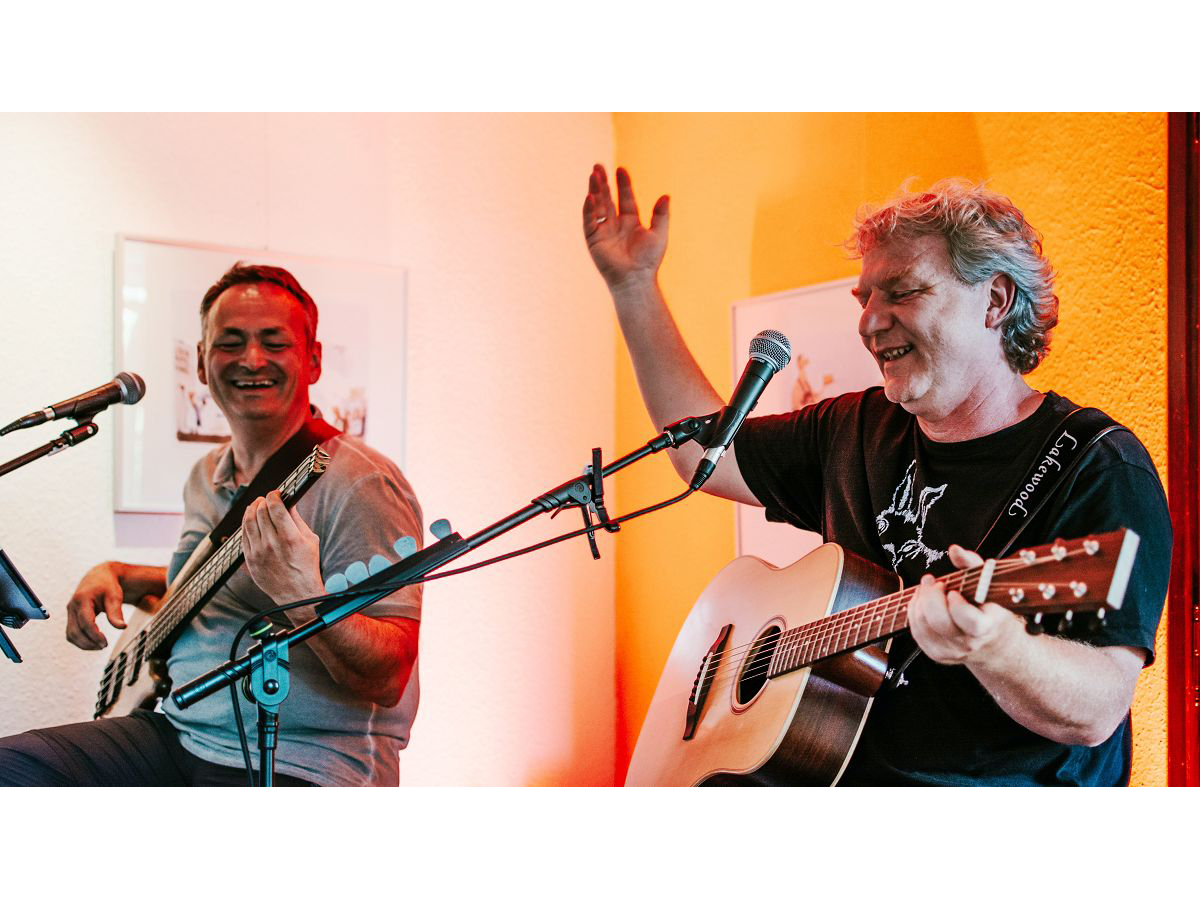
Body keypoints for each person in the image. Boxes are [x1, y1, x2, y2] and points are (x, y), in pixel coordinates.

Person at [582, 164, 1172, 785]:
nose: (868, 320)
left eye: (903, 292)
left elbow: (1097, 709)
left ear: (994, 301)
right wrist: (634, 287)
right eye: (865, 298)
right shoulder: (857, 428)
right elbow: (706, 454)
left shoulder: (1097, 465)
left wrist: (996, 646)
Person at [0, 263, 422, 787]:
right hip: (175, 731)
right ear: (201, 364)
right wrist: (119, 572)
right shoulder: (206, 475)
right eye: (230, 343)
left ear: (313, 361)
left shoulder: (362, 483)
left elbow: (389, 675)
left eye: (274, 341)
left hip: (303, 760)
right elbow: (213, 588)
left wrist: (305, 595)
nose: (251, 358)